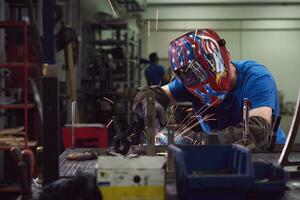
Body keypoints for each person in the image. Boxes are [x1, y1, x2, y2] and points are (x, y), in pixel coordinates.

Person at [133, 29, 286, 149]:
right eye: (192, 76)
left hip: (267, 153)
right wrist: (149, 103)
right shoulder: (191, 81)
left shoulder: (257, 78)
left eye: (203, 71)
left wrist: (199, 141)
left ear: (222, 57)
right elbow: (154, 92)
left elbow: (256, 132)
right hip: (219, 153)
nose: (200, 80)